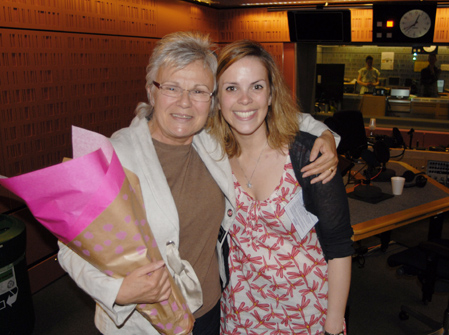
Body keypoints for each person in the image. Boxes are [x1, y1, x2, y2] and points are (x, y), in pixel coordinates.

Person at [57, 32, 340, 335]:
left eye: (198, 91)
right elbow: (70, 245)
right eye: (172, 88)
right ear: (151, 92)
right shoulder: (117, 156)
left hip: (213, 310)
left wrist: (324, 135)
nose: (185, 103)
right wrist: (116, 291)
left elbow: (272, 111)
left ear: (212, 100)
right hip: (149, 321)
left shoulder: (209, 138)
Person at [207, 40, 354, 335]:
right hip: (242, 312)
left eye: (257, 87)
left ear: (271, 94)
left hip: (308, 309)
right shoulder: (213, 156)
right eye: (232, 88)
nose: (245, 99)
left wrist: (333, 324)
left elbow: (339, 246)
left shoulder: (307, 155)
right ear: (217, 98)